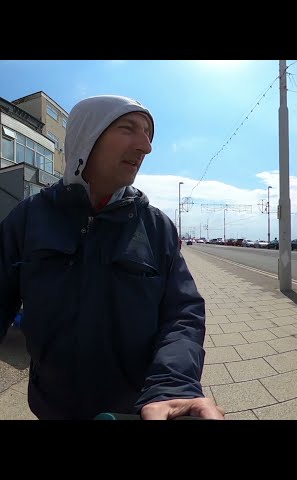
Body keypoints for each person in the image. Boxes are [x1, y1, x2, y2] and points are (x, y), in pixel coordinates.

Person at [0, 95, 223, 420]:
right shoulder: (28, 217)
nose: (146, 147)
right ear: (85, 138)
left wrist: (173, 386)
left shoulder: (157, 227)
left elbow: (183, 313)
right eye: (128, 128)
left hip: (133, 411)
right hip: (50, 407)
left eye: (148, 134)